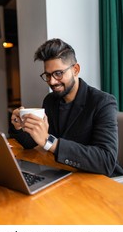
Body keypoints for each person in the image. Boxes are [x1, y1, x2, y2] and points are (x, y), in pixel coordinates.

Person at [9, 38, 123, 177]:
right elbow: (32, 142)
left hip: (101, 181)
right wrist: (18, 127)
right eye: (48, 75)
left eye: (58, 73)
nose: (52, 81)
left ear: (75, 70)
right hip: (65, 174)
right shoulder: (51, 100)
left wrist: (49, 142)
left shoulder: (103, 102)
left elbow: (106, 161)